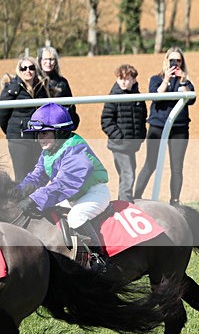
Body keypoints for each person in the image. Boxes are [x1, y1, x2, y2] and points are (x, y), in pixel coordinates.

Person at [15, 103, 111, 267]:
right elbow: (37, 176)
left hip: (94, 193)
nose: (40, 139)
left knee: (76, 217)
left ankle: (98, 258)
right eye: (38, 135)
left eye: (44, 133)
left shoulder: (75, 148)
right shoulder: (49, 151)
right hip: (73, 196)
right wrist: (17, 193)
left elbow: (64, 183)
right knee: (49, 213)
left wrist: (34, 200)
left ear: (59, 132)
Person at [133, 47, 195, 205]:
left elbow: (192, 99)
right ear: (166, 61)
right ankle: (134, 198)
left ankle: (175, 202)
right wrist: (166, 80)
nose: (175, 63)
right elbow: (156, 97)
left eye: (178, 60)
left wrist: (183, 81)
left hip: (179, 128)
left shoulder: (186, 81)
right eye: (172, 60)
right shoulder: (156, 79)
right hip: (158, 127)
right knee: (150, 163)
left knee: (176, 167)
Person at [101, 64, 147, 202]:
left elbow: (142, 117)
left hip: (131, 145)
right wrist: (119, 138)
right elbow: (106, 121)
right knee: (128, 175)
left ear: (134, 80)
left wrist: (140, 136)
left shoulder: (138, 97)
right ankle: (126, 204)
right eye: (121, 79)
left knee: (127, 174)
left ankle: (122, 204)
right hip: (119, 145)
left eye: (127, 79)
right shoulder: (113, 97)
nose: (124, 82)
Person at [1, 57, 52, 181]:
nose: (27, 71)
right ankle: (19, 201)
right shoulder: (12, 88)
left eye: (31, 67)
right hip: (19, 139)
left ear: (36, 69)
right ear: (19, 70)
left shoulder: (41, 87)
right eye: (24, 68)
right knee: (22, 177)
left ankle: (35, 200)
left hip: (38, 139)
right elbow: (2, 113)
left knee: (39, 177)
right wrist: (12, 132)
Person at [37, 46, 80, 130]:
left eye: (51, 59)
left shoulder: (62, 83)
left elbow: (71, 107)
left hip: (58, 127)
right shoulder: (34, 82)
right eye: (45, 59)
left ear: (55, 62)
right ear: (40, 61)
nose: (48, 62)